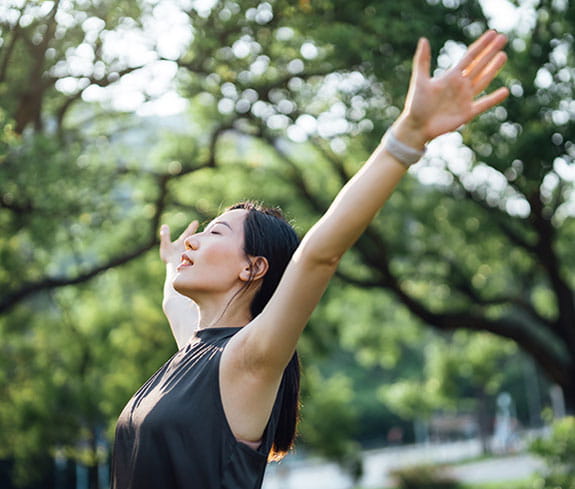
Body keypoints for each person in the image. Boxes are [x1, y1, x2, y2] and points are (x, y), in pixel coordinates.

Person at [111, 30, 509, 489]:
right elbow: (172, 303)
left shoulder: (248, 358)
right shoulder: (193, 351)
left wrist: (408, 137)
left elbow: (319, 254)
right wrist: (171, 263)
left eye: (215, 232)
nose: (195, 241)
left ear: (253, 267)